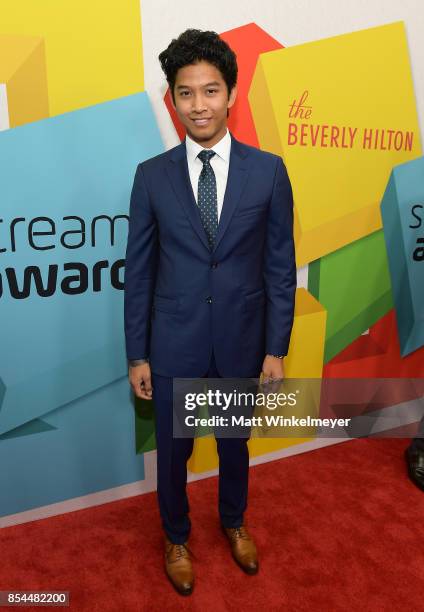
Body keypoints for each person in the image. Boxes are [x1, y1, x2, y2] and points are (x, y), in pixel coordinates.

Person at [124, 28, 296, 596]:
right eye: (185, 93)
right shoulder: (151, 176)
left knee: (233, 445)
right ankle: (176, 536)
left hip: (240, 341)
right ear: (172, 100)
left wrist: (276, 349)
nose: (199, 105)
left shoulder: (268, 171)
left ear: (232, 94)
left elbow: (278, 266)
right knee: (172, 456)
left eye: (210, 90)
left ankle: (234, 521)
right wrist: (137, 355)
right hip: (173, 344)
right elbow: (141, 272)